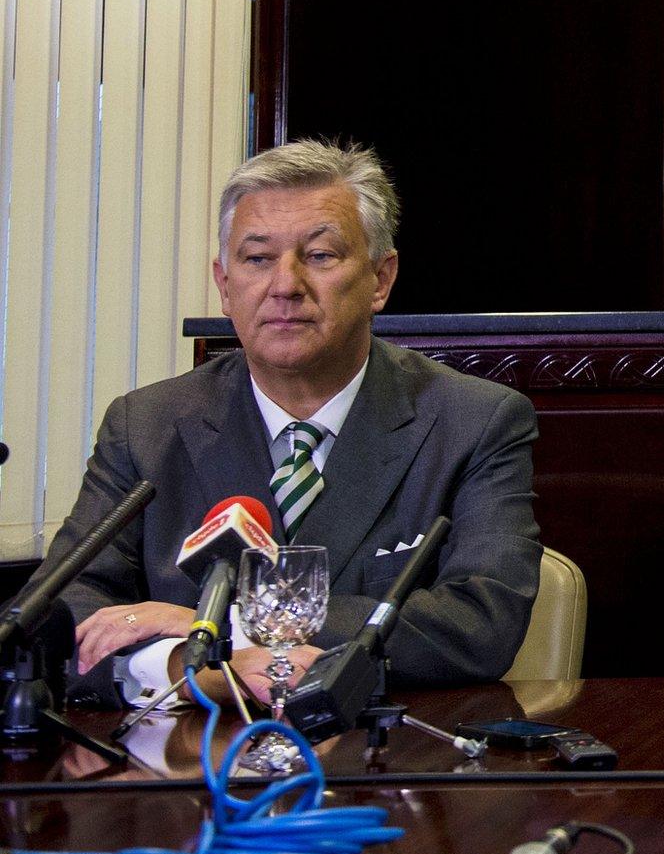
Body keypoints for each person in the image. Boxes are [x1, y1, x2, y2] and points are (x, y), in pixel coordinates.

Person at [42, 140, 542, 707]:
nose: (285, 285)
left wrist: (218, 629)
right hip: (194, 771)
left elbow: (482, 623)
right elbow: (57, 612)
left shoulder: (474, 421)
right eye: (257, 259)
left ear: (381, 279)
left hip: (389, 766)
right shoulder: (147, 425)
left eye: (321, 255)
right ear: (225, 284)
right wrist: (185, 664)